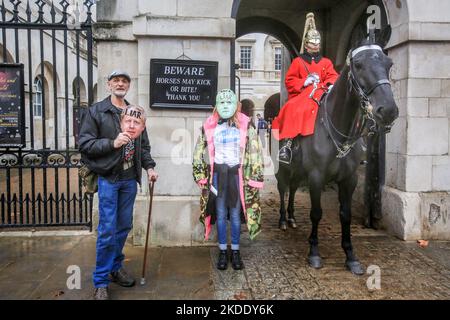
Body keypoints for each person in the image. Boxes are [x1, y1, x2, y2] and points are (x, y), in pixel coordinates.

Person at [79, 70, 158, 300]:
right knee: (106, 230)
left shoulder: (135, 112)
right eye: (116, 81)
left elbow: (143, 146)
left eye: (124, 81)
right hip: (108, 179)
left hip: (129, 180)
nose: (120, 84)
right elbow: (85, 144)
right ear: (108, 85)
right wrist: (112, 143)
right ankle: (101, 281)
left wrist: (150, 167)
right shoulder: (96, 111)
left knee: (124, 226)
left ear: (129, 85)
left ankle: (115, 267)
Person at [192, 89, 264, 271]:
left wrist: (254, 178)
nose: (225, 106)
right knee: (221, 213)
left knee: (235, 214)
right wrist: (200, 174)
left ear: (236, 106)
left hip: (237, 176)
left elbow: (255, 152)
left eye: (228, 102)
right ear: (216, 105)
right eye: (221, 103)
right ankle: (223, 251)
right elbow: (198, 151)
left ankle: (236, 251)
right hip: (218, 176)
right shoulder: (209, 126)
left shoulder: (246, 126)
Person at [272, 13, 339, 164]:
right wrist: (304, 81)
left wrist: (330, 83)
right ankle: (288, 144)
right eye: (312, 44)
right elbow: (289, 81)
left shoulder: (326, 62)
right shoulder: (297, 62)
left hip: (321, 91)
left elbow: (333, 76)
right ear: (307, 45)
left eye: (317, 44)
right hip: (303, 94)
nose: (315, 46)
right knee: (290, 108)